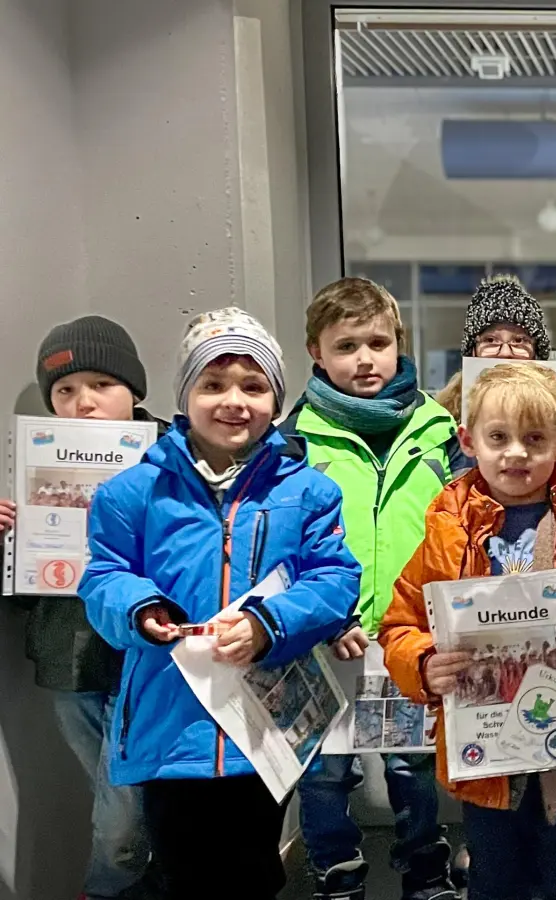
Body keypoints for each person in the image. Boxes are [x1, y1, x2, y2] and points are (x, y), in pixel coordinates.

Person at [78, 308, 361, 900]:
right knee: (183, 867)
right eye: (213, 384)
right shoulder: (132, 492)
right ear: (186, 396)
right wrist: (140, 609)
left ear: (276, 402)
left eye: (254, 386)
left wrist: (267, 624)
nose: (234, 401)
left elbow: (334, 578)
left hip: (261, 726)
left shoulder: (308, 490)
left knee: (255, 867)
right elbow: (103, 577)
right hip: (169, 722)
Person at [379, 363, 556, 900]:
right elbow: (401, 624)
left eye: (535, 439)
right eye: (498, 437)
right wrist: (422, 663)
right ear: (468, 441)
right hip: (487, 758)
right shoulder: (447, 529)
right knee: (496, 879)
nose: (515, 453)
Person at [278, 278, 464, 900]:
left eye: (378, 343)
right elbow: (280, 540)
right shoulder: (293, 439)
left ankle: (424, 867)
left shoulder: (441, 430)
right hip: (329, 635)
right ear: (316, 352)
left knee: (413, 764)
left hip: (411, 630)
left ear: (399, 344)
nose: (365, 359)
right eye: (346, 345)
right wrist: (317, 614)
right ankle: (335, 870)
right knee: (326, 768)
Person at [0, 316, 157, 900]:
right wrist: (8, 543)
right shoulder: (36, 463)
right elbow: (24, 590)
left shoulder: (174, 456)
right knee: (119, 807)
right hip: (71, 660)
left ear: (133, 390)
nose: (82, 403)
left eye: (101, 384)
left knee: (126, 821)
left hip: (151, 662)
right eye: (65, 390)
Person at [435, 274, 554, 421]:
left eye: (519, 341)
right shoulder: (442, 421)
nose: (505, 353)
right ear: (473, 351)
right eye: (491, 340)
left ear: (537, 353)